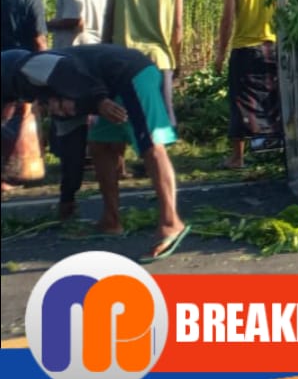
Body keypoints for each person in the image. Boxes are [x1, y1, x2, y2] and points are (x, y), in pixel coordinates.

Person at [2, 45, 189, 261]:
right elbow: (72, 152)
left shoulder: (30, 65)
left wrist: (99, 101)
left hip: (130, 72)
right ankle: (111, 221)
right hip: (104, 91)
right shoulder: (50, 100)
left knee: (150, 145)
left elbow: (68, 68)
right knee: (100, 146)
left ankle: (171, 222)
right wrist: (67, 198)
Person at [47, 0, 110, 215]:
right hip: (96, 54)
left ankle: (68, 197)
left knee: (69, 128)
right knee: (89, 125)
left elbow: (76, 20)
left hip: (74, 59)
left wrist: (47, 23)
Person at [213, 0, 280, 169]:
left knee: (241, 102)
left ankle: (237, 157)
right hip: (274, 48)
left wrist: (220, 54)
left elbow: (227, 21)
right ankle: (273, 149)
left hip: (245, 49)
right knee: (273, 98)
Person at [105, 0, 184, 127]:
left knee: (120, 119)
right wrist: (177, 60)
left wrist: (104, 51)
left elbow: (108, 20)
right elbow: (177, 28)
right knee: (161, 120)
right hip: (158, 59)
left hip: (122, 58)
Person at [1, 0, 49, 193]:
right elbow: (39, 40)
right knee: (12, 120)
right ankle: (6, 175)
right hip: (17, 68)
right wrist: (47, 72)